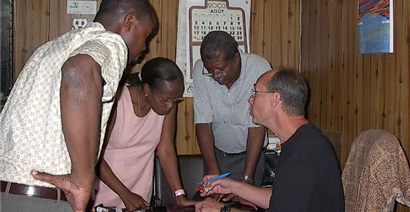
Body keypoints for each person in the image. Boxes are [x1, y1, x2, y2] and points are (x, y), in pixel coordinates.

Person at [0, 0, 157, 212]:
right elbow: (79, 72)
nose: (145, 47)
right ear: (129, 22)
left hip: (9, 192)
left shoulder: (53, 48)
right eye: (147, 35)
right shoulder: (111, 43)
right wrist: (82, 181)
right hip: (41, 198)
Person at [196, 68, 345, 212]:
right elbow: (283, 198)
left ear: (275, 99)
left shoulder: (304, 153)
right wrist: (233, 186)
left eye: (255, 93)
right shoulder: (303, 141)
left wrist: (222, 210)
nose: (250, 99)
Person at [91, 57, 195, 211]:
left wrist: (179, 194)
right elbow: (95, 156)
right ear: (147, 89)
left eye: (176, 100)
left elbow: (166, 150)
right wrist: (125, 194)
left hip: (139, 195)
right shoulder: (118, 101)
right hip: (105, 193)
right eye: (166, 100)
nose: (171, 106)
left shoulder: (167, 106)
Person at [193, 31, 271, 196]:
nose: (215, 75)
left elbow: (256, 127)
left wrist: (247, 178)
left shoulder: (259, 68)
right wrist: (214, 173)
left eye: (220, 69)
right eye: (210, 70)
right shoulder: (201, 68)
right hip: (217, 155)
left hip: (251, 157)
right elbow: (203, 123)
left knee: (246, 205)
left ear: (236, 59)